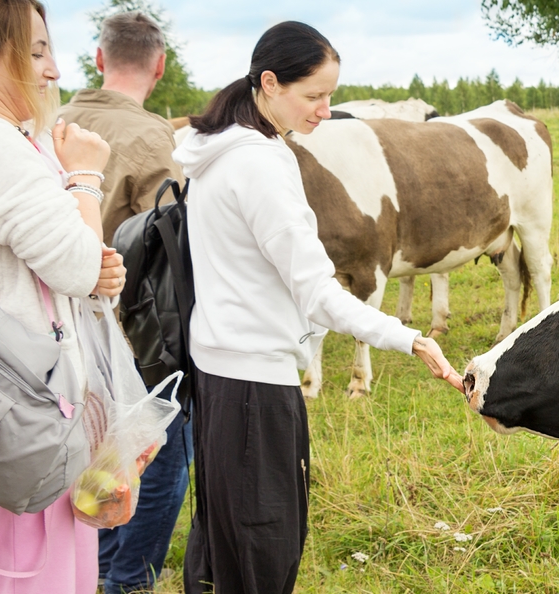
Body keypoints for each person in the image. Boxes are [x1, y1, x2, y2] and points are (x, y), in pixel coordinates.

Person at [174, 21, 464, 594]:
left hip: (217, 376)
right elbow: (317, 289)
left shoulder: (215, 150)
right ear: (270, 83)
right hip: (256, 388)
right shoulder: (259, 162)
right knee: (264, 550)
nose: (326, 110)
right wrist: (405, 336)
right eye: (314, 96)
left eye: (331, 94)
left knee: (222, 548)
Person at [56, 11, 189, 593]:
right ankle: (127, 577)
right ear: (159, 65)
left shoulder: (50, 121)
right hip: (129, 330)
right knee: (158, 453)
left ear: (99, 58)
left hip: (54, 331)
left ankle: (92, 562)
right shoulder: (151, 137)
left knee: (86, 450)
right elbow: (172, 242)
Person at [0, 0, 127, 591]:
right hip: (27, 413)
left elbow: (86, 269)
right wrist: (86, 176)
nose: (53, 70)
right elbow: (79, 266)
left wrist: (97, 270)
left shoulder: (21, 143)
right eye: (36, 51)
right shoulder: (5, 152)